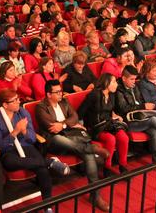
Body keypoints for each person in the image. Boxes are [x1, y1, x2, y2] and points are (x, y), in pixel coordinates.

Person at [35, 79, 110, 211]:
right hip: (54, 141)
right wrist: (66, 124)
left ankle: (95, 195)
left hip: (71, 137)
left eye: (61, 91)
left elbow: (74, 116)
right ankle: (91, 148)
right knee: (60, 138)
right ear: (48, 94)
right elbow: (50, 126)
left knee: (88, 155)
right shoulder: (41, 107)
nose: (60, 94)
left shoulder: (64, 101)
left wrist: (63, 124)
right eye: (57, 92)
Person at [0, 88, 69, 207]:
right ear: (5, 105)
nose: (18, 102)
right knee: (9, 161)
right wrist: (15, 132)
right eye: (14, 100)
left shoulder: (22, 112)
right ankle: (49, 161)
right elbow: (0, 146)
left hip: (26, 146)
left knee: (43, 171)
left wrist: (24, 132)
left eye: (18, 99)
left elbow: (32, 138)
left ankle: (47, 206)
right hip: (9, 151)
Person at [78, 73, 130, 173]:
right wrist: (81, 125)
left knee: (124, 137)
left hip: (108, 123)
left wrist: (115, 115)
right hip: (95, 127)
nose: (116, 84)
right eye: (114, 82)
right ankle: (107, 168)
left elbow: (112, 110)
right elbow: (81, 111)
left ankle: (123, 165)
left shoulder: (112, 94)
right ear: (106, 83)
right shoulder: (94, 95)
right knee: (111, 139)